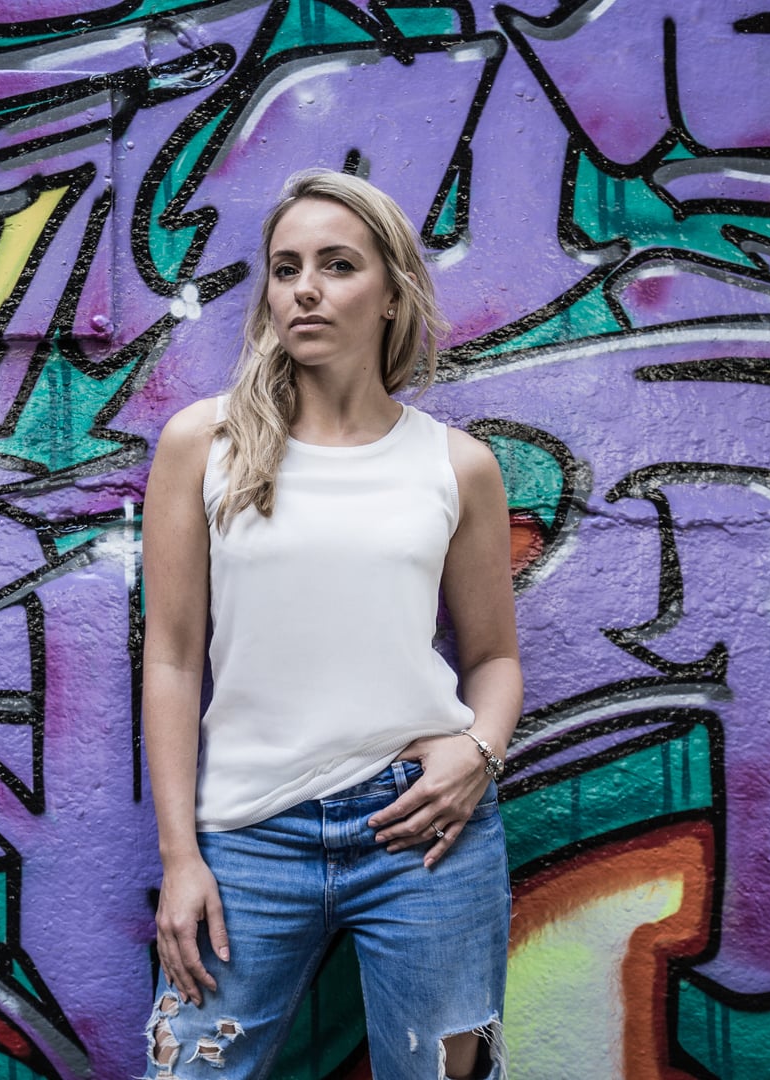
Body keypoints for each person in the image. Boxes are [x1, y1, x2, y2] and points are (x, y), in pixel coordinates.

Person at [139, 169, 521, 1080]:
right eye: (286, 268)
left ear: (392, 295)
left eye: (337, 265)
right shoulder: (204, 444)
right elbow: (172, 660)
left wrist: (480, 754)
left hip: (425, 830)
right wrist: (181, 857)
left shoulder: (456, 466)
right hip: (249, 837)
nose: (304, 289)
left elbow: (495, 657)